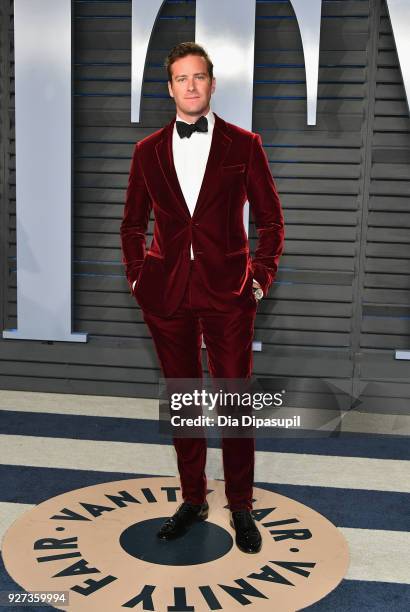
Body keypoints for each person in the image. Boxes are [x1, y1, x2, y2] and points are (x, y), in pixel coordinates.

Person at [120, 42, 285, 554]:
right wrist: (136, 277)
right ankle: (193, 497)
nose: (191, 86)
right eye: (181, 78)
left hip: (229, 292)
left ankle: (240, 504)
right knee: (185, 399)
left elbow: (271, 219)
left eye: (199, 77)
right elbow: (131, 224)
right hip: (166, 294)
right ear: (169, 88)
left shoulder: (244, 144)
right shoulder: (146, 151)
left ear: (212, 84)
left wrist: (259, 277)